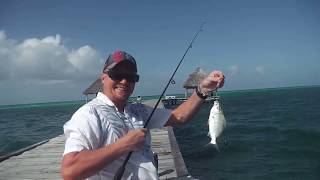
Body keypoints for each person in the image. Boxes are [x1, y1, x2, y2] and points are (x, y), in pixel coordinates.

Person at [61, 50, 225, 180]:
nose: (124, 81)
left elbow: (179, 117)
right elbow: (70, 170)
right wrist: (122, 145)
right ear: (103, 78)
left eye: (131, 77)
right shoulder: (88, 115)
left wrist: (203, 90)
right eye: (117, 75)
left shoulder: (138, 110)